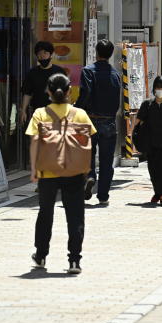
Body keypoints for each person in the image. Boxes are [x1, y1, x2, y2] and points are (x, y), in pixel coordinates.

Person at [27, 73, 94, 275]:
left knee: (45, 213)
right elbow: (89, 142)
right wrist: (87, 168)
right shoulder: (80, 114)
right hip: (73, 172)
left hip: (48, 172)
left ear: (48, 91)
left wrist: (34, 170)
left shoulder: (40, 113)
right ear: (69, 91)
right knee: (75, 216)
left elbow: (35, 142)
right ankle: (74, 260)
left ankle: (40, 255)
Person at [77, 40, 122, 206]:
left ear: (96, 52)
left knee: (87, 155)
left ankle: (89, 177)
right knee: (106, 160)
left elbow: (85, 92)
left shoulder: (88, 71)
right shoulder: (115, 74)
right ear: (110, 54)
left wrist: (77, 108)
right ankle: (103, 195)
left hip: (90, 119)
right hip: (109, 121)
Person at [132, 76, 162, 205]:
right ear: (154, 88)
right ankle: (157, 193)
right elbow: (138, 121)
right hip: (151, 143)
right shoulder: (147, 104)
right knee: (154, 170)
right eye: (158, 87)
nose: (160, 90)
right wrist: (132, 135)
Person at [19, 41, 67, 134]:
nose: (42, 56)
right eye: (39, 53)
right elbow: (27, 93)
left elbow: (66, 93)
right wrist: (23, 110)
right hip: (38, 113)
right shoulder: (32, 73)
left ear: (51, 54)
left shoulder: (59, 72)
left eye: (45, 53)